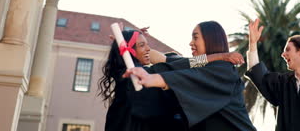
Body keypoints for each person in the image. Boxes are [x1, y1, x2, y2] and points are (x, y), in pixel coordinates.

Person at [100, 29, 245, 131]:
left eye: (147, 44)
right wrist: (220, 56)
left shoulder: (125, 75)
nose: (148, 49)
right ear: (130, 51)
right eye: (142, 45)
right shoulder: (136, 76)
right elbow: (187, 64)